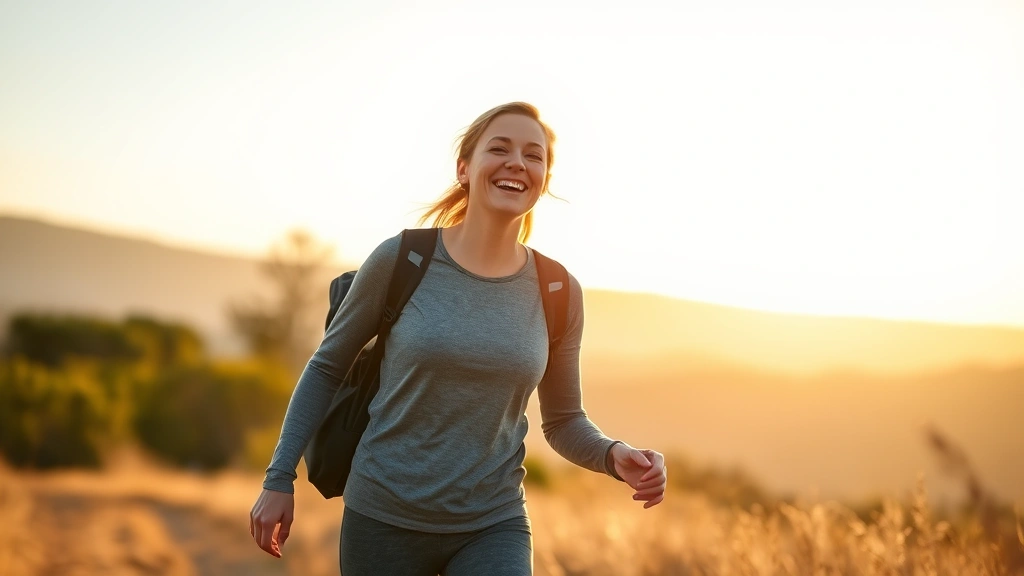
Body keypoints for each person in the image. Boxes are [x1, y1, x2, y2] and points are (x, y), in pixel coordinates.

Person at [249, 102, 668, 575]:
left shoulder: (557, 291)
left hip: (493, 522)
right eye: (500, 148)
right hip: (383, 518)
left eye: (535, 155)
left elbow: (564, 421)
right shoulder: (402, 259)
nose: (517, 163)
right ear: (464, 168)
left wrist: (615, 455)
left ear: (544, 179)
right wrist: (279, 478)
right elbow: (327, 367)